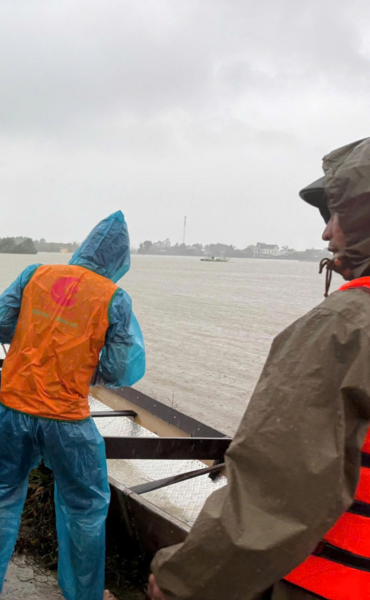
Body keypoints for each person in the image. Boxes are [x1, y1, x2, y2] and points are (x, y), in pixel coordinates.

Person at [148, 138, 370, 600]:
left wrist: (183, 581)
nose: (327, 234)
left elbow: (279, 489)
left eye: (336, 215)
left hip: (335, 581)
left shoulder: (346, 325)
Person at [0, 211, 146, 600]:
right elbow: (119, 367)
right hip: (66, 420)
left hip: (13, 411)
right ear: (118, 259)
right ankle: (85, 594)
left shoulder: (35, 274)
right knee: (85, 508)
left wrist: (34, 338)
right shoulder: (113, 298)